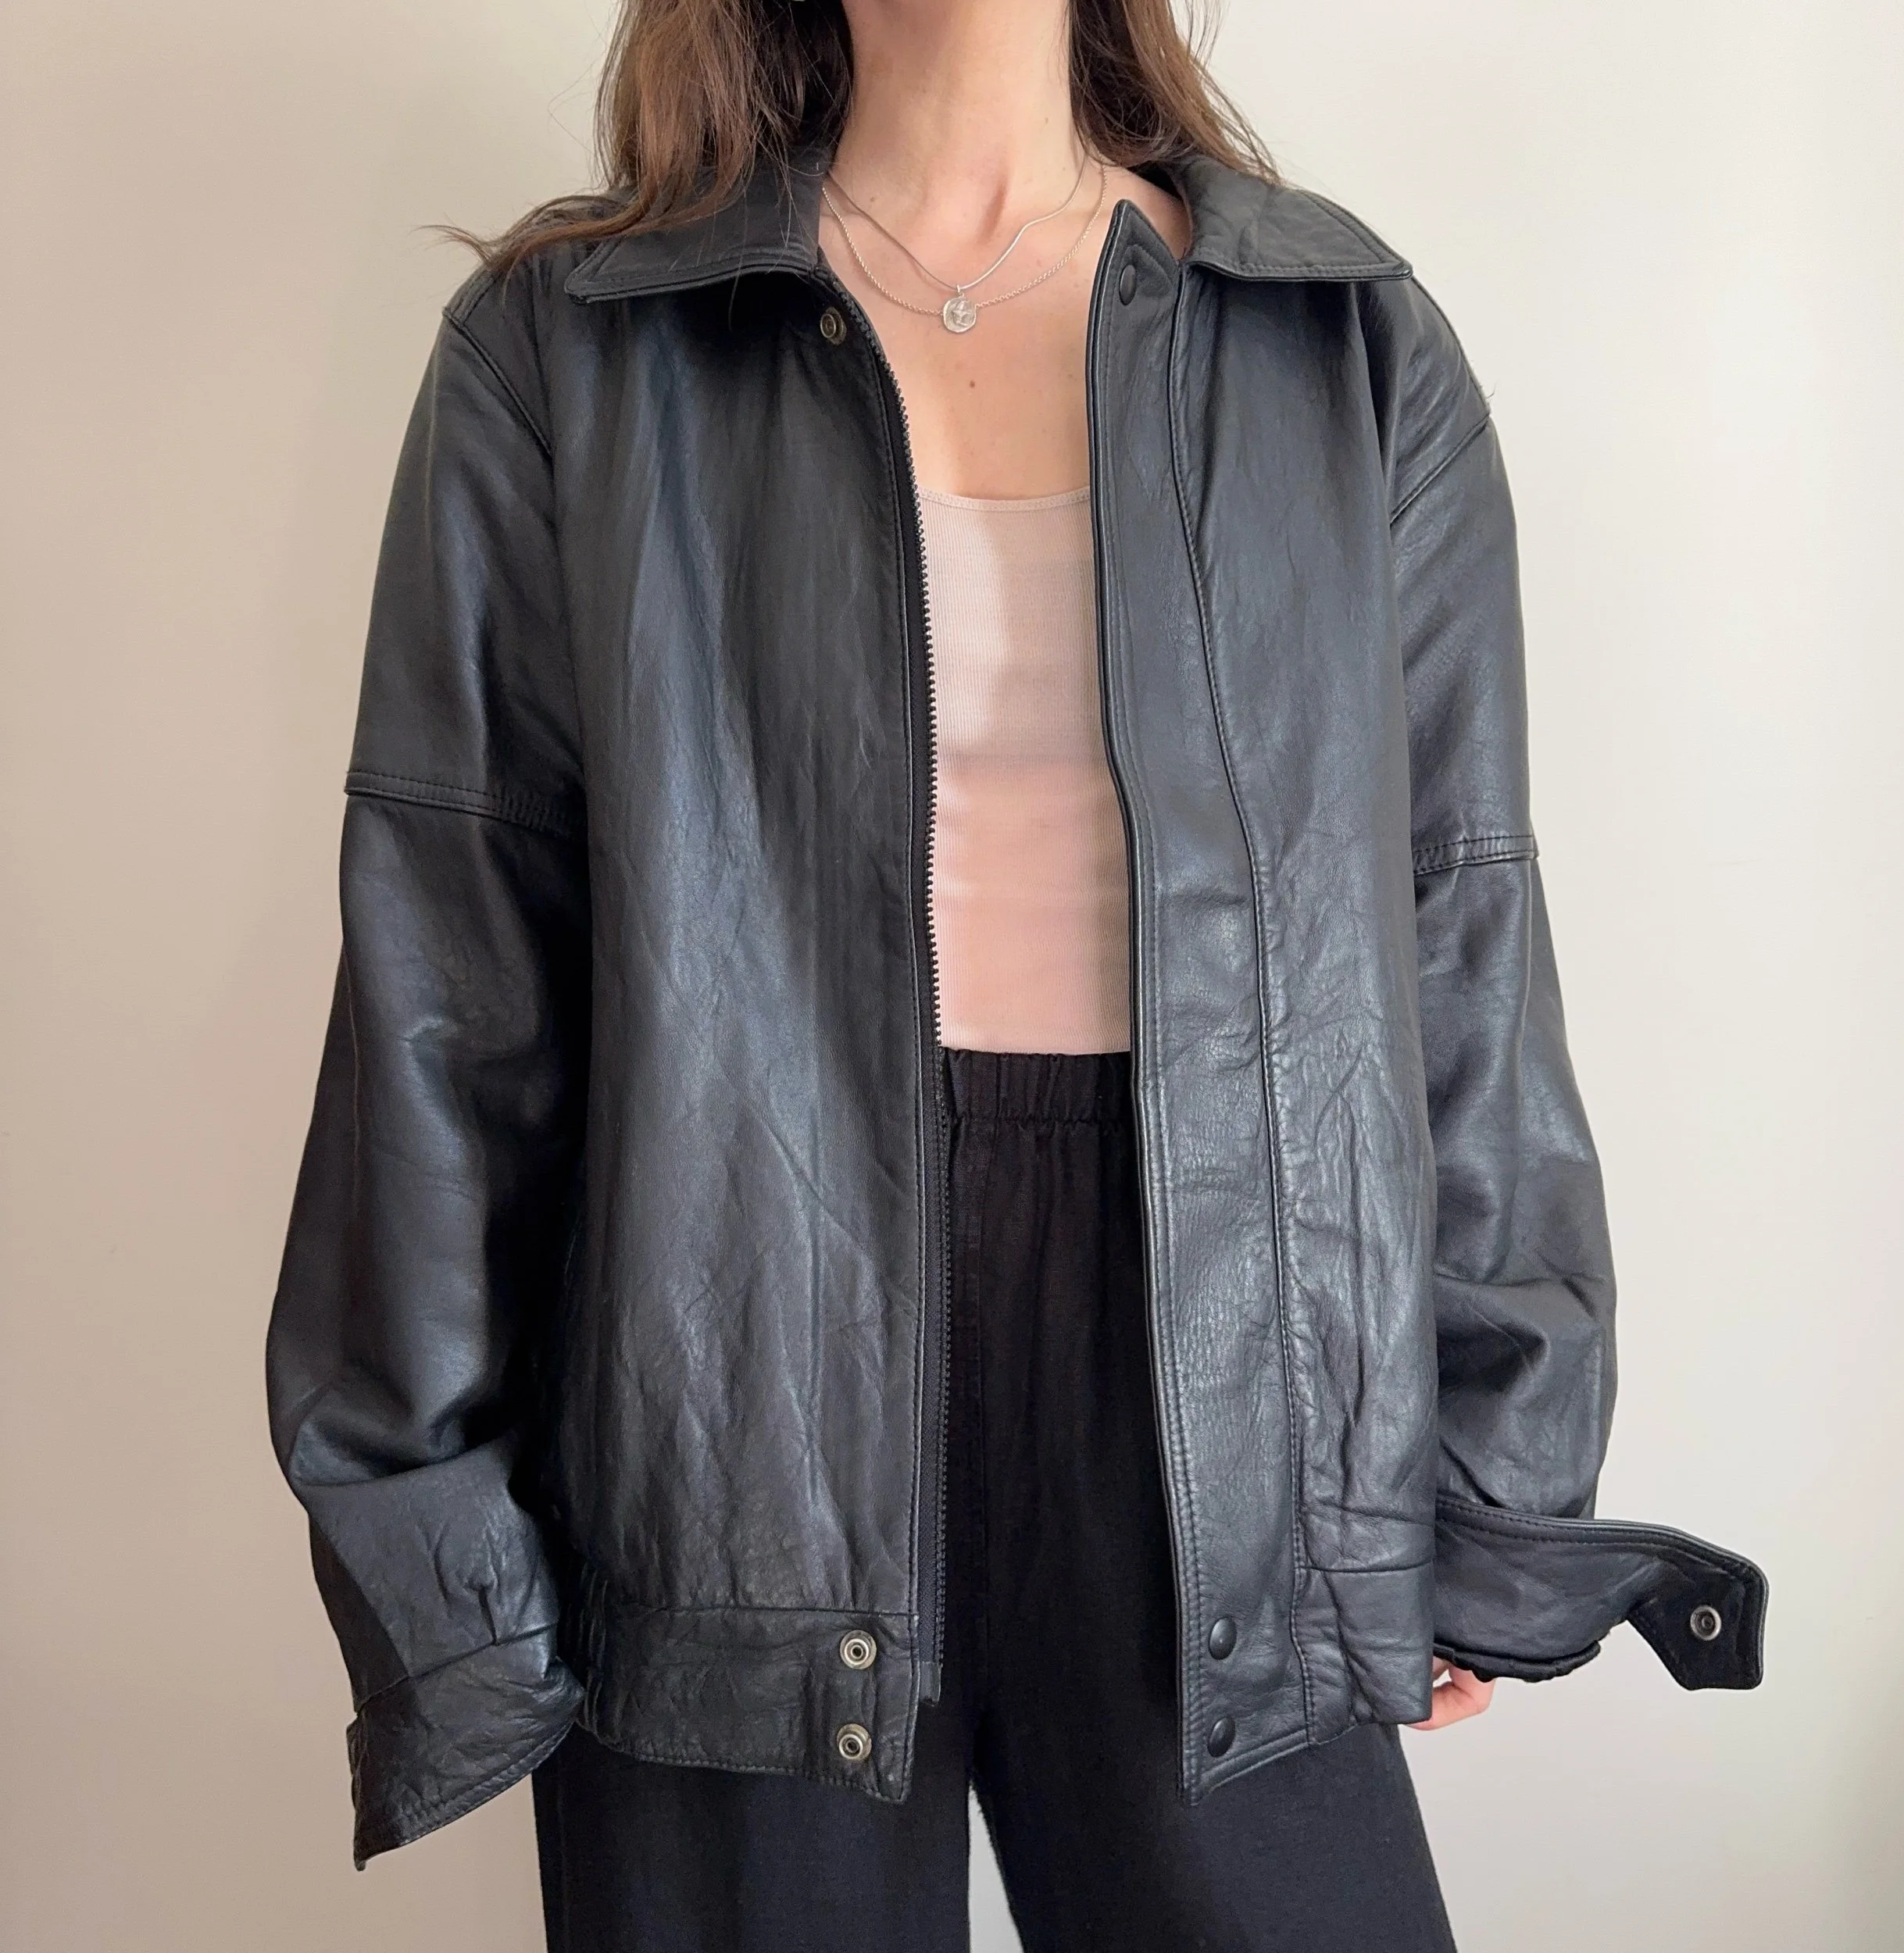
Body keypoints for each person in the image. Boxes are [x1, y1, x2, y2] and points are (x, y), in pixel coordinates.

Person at [266, 0, 1766, 1945]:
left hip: (1225, 1405)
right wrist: (438, 1555)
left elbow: (1451, 928)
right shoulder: (572, 352)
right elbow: (451, 977)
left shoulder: (1334, 342)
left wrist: (1488, 1487)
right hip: (724, 1404)